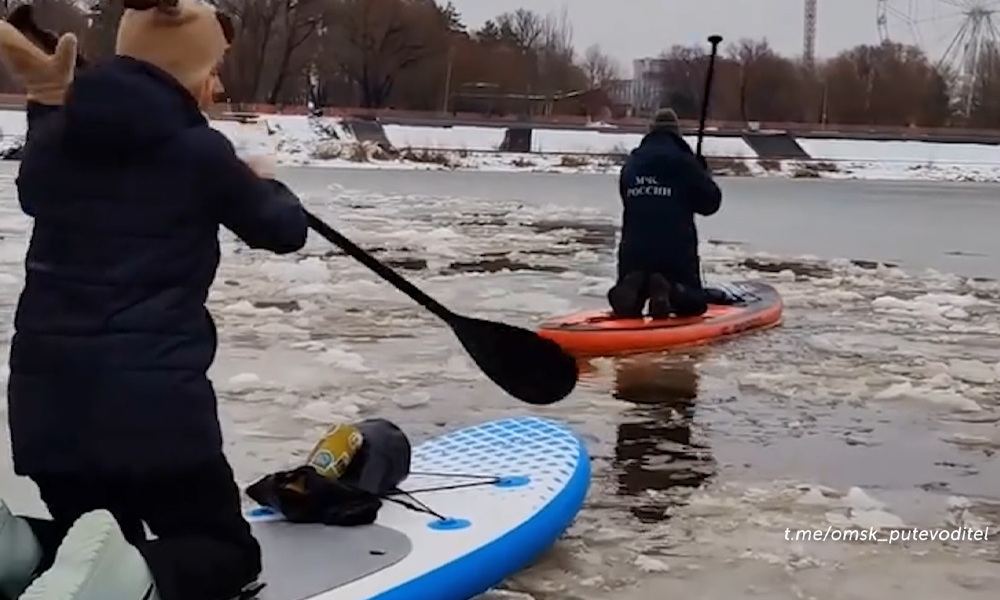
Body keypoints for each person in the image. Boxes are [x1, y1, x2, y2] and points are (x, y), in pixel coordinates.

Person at [0, 1, 308, 600]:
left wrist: (44, 100)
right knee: (226, 555)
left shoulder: (61, 136)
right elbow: (281, 229)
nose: (216, 86)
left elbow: (36, 184)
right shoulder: (198, 150)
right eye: (212, 69)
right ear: (183, 71)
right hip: (153, 416)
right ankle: (126, 582)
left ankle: (15, 552)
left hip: (47, 409)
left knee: (85, 538)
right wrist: (262, 178)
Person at [608, 107, 722, 319]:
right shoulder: (685, 162)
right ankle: (669, 289)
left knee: (633, 297)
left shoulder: (632, 163)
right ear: (676, 133)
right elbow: (710, 203)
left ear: (650, 131)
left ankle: (632, 286)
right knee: (693, 305)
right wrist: (703, 173)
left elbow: (627, 198)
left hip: (634, 248)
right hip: (675, 248)